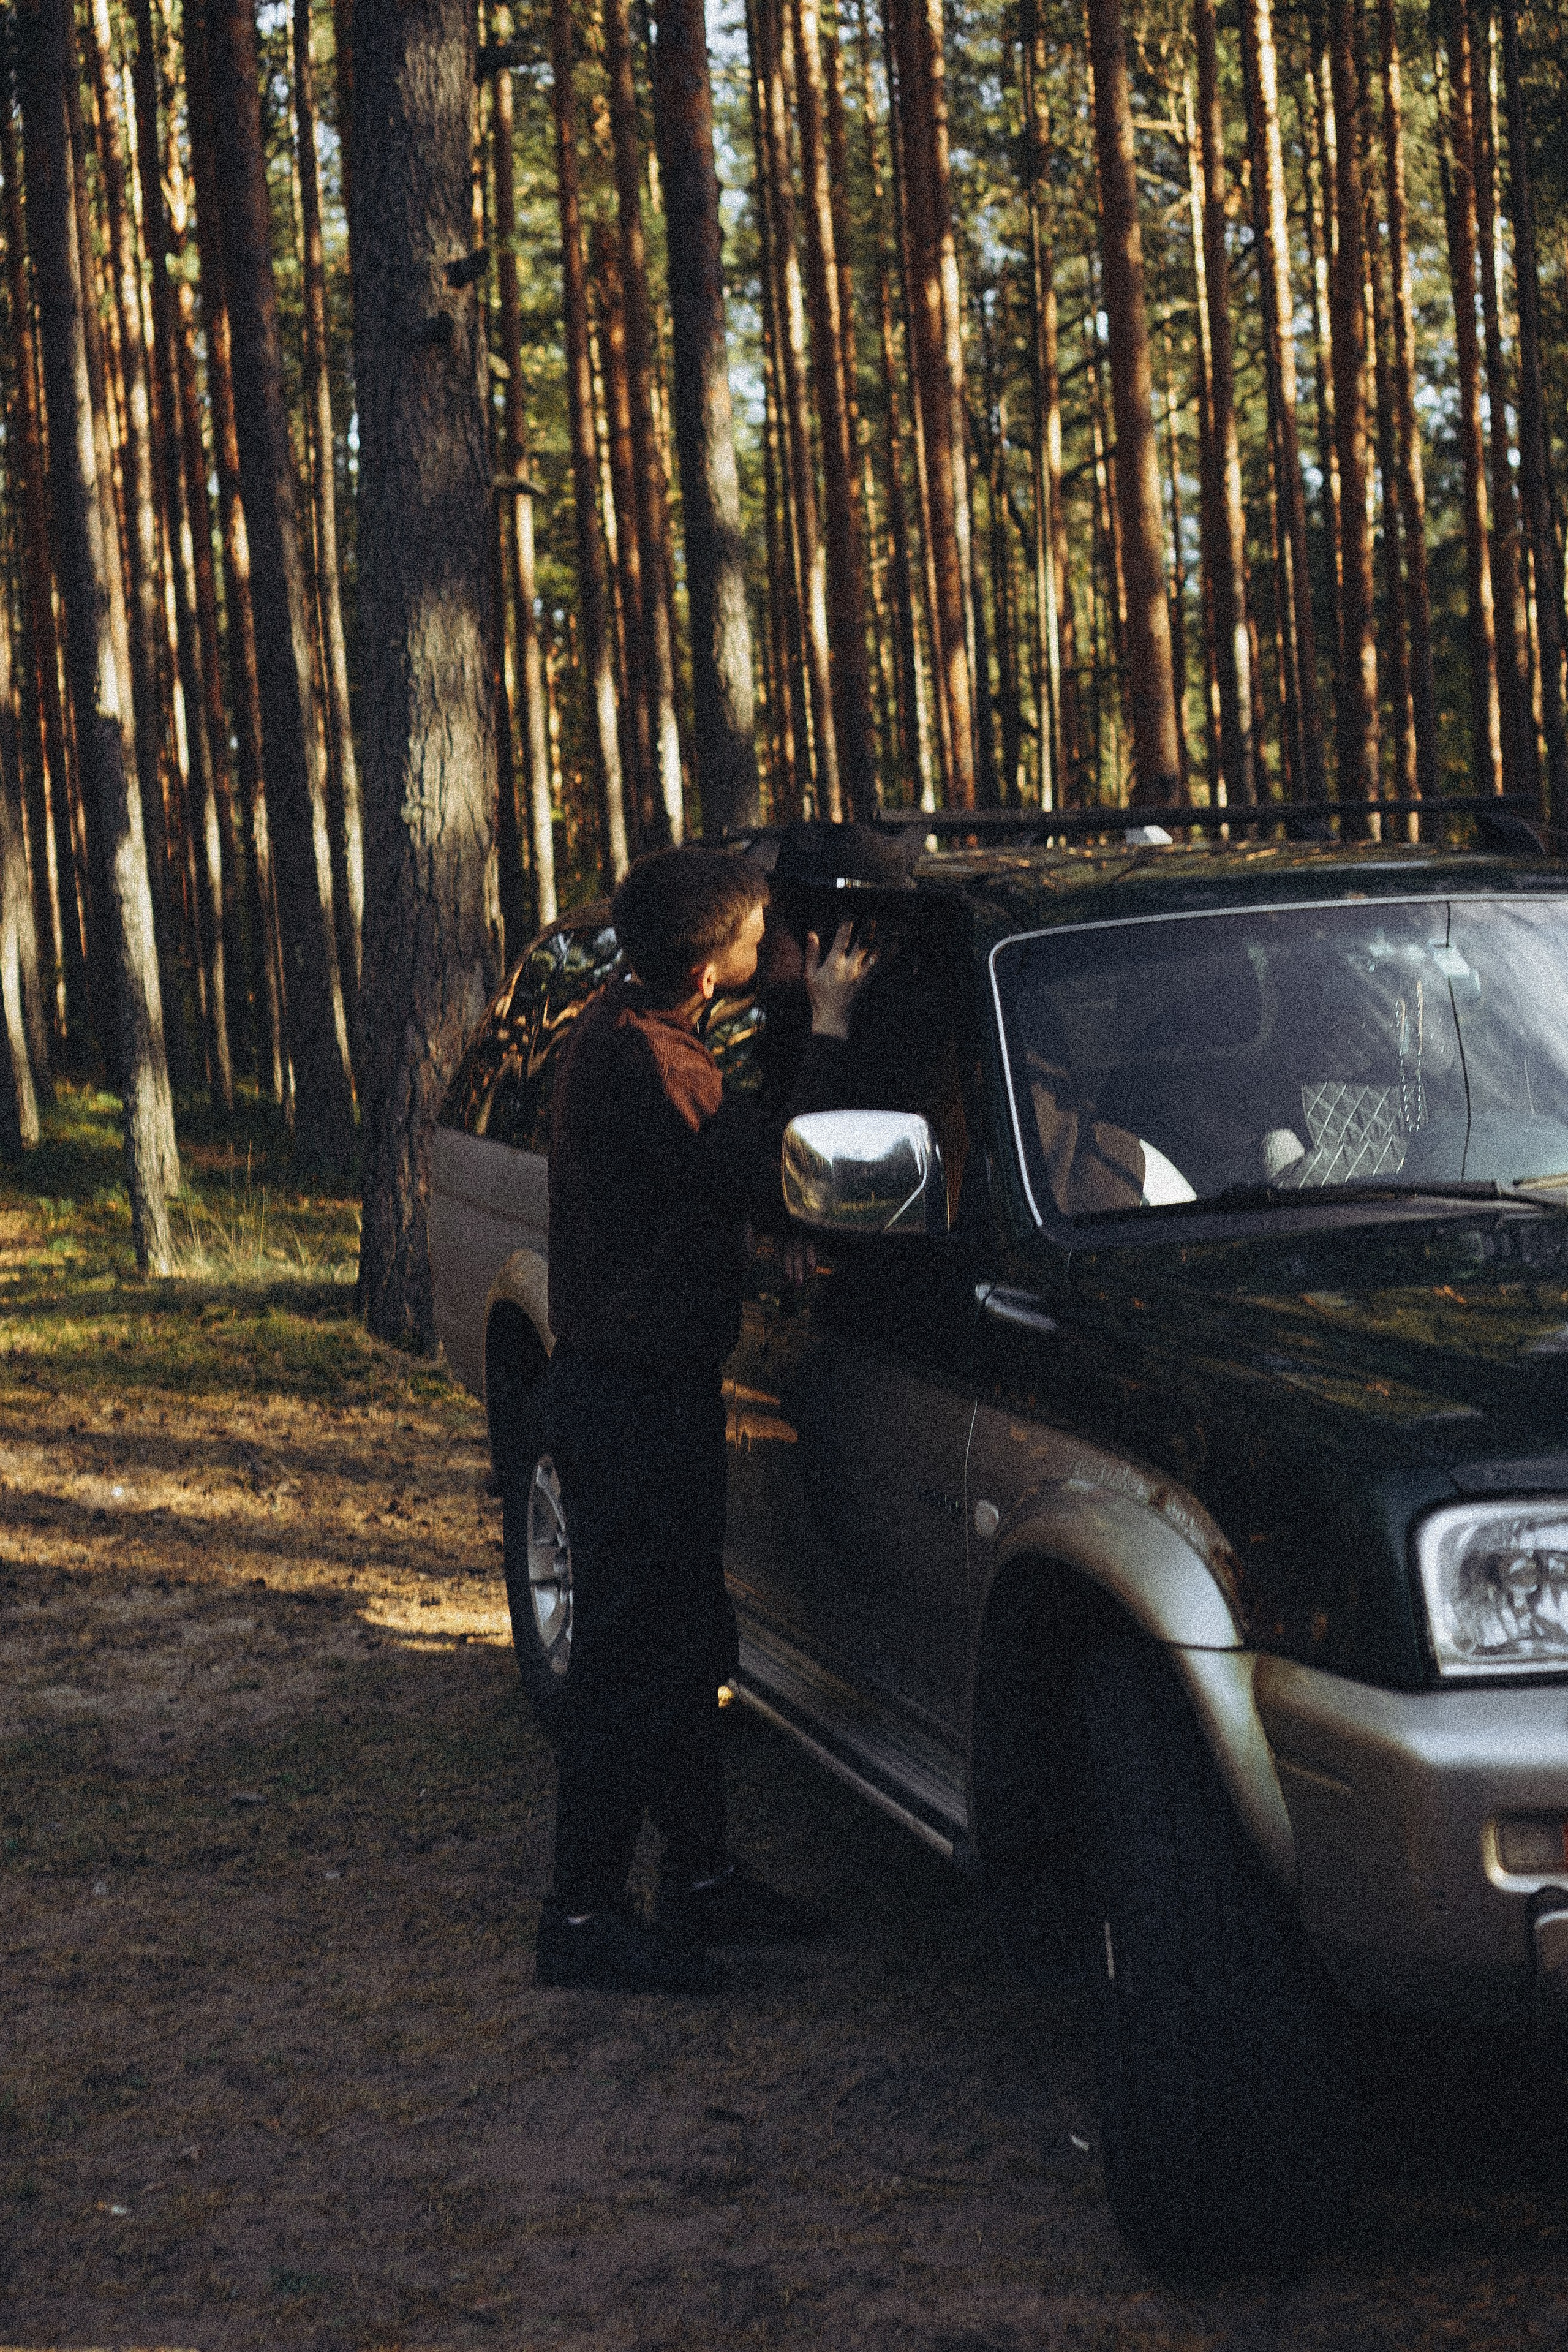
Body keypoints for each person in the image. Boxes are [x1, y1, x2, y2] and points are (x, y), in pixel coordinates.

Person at [537, 844, 876, 1994]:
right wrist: (830, 1022)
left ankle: (699, 1876)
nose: (772, 941)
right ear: (706, 965)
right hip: (632, 1403)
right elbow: (788, 1169)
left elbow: (688, 1182)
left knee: (684, 1645)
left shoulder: (630, 1024)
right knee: (630, 1662)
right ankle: (581, 1917)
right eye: (757, 933)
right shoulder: (654, 1061)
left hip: (638, 1392)